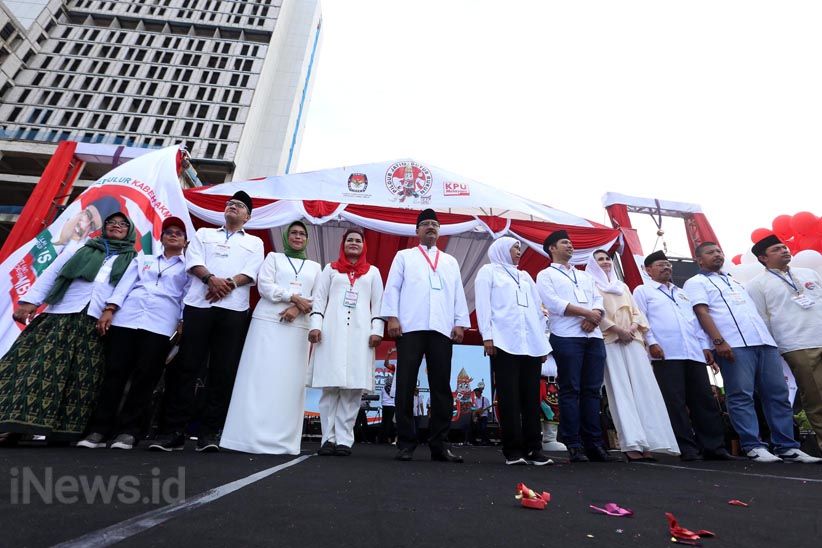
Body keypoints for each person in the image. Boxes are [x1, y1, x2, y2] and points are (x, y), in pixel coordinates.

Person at [0, 211, 136, 444]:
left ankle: (63, 432)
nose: (116, 226)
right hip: (61, 314)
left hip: (97, 323)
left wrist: (111, 311)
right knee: (37, 369)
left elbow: (126, 290)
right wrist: (30, 302)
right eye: (111, 222)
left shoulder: (133, 259)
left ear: (129, 231)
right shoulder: (81, 247)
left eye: (122, 224)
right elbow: (53, 273)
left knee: (81, 380)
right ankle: (14, 425)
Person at [684, 242, 820, 463]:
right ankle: (753, 445)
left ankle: (787, 446)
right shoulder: (695, 282)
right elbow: (701, 312)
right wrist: (718, 341)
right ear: (699, 260)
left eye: (719, 251)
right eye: (710, 252)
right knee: (741, 395)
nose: (717, 255)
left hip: (764, 341)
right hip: (733, 344)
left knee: (778, 395)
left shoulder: (734, 281)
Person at [149, 191, 264, 452]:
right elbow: (193, 262)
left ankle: (209, 433)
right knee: (186, 367)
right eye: (230, 203)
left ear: (247, 216)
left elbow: (251, 272)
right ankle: (173, 431)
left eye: (239, 206)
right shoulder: (204, 234)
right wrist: (210, 280)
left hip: (233, 310)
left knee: (222, 371)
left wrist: (226, 284)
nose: (232, 207)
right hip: (199, 306)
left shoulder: (255, 242)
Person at [77, 217, 190, 450]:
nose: (173, 235)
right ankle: (99, 429)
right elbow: (124, 285)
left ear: (185, 241)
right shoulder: (143, 259)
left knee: (145, 378)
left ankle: (128, 431)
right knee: (114, 373)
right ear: (161, 238)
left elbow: (186, 296)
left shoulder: (188, 267)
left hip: (160, 323)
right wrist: (110, 309)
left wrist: (182, 321)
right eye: (168, 231)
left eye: (178, 233)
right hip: (126, 318)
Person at [220, 221, 321, 455]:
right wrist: (293, 297)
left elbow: (319, 296)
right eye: (293, 233)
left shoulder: (316, 267)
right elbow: (264, 286)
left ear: (307, 239)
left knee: (288, 383)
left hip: (298, 327)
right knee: (258, 377)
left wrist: (296, 309)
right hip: (267, 322)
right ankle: (245, 438)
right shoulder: (273, 258)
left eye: (302, 234)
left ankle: (282, 441)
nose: (297, 237)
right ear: (286, 237)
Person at [381, 208, 470, 463]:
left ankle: (440, 445)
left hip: (442, 328)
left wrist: (460, 323)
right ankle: (406, 443)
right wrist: (392, 317)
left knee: (441, 387)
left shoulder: (450, 261)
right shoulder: (404, 256)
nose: (431, 227)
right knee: (405, 385)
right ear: (417, 230)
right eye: (426, 224)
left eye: (435, 224)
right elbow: (392, 288)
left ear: (439, 231)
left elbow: (458, 293)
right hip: (410, 327)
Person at [633, 250, 739, 461]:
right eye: (660, 265)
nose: (666, 268)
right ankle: (686, 447)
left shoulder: (681, 292)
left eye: (668, 265)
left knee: (704, 400)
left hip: (693, 352)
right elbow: (642, 319)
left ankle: (714, 447)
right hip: (666, 353)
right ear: (648, 270)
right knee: (675, 402)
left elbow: (694, 321)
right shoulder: (643, 291)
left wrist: (705, 346)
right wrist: (652, 342)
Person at [586, 250, 680, 461]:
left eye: (607, 259)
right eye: (600, 259)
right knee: (620, 391)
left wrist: (632, 328)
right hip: (610, 340)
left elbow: (637, 312)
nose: (605, 262)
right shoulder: (589, 284)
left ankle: (651, 442)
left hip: (633, 339)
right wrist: (618, 330)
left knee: (644, 389)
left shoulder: (622, 286)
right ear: (592, 264)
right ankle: (631, 443)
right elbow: (596, 312)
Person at [536, 230, 617, 462]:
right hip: (566, 335)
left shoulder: (584, 276)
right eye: (565, 243)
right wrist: (587, 313)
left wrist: (595, 316)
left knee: (592, 390)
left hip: (593, 336)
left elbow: (598, 300)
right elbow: (552, 302)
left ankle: (595, 444)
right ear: (552, 248)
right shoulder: (546, 274)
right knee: (570, 389)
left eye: (571, 243)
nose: (570, 246)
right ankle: (573, 443)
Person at [306, 228, 384, 457]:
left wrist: (377, 330)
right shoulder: (330, 269)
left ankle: (344, 440)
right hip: (331, 333)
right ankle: (327, 439)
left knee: (352, 390)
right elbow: (319, 299)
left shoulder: (373, 272)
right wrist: (315, 325)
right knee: (330, 389)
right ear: (343, 244)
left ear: (363, 245)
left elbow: (378, 304)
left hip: (361, 336)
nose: (353, 243)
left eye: (358, 240)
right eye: (349, 240)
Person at [475, 237, 552, 464]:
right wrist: (487, 336)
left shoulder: (525, 276)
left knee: (531, 398)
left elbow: (538, 310)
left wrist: (543, 341)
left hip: (531, 343)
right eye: (515, 247)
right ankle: (513, 450)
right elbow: (483, 305)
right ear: (501, 249)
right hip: (504, 341)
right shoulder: (488, 272)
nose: (519, 251)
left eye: (520, 248)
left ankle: (534, 449)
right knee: (509, 397)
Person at [747, 235, 822, 454]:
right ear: (763, 258)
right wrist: (774, 350)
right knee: (816, 396)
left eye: (784, 247)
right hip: (796, 343)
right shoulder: (756, 284)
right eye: (777, 249)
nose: (784, 250)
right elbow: (762, 320)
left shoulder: (809, 273)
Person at [380, 354, 397, 444]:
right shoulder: (395, 388)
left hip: (385, 405)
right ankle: (390, 439)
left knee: (384, 422)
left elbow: (382, 397)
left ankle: (383, 439)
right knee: (390, 423)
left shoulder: (383, 388)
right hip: (392, 406)